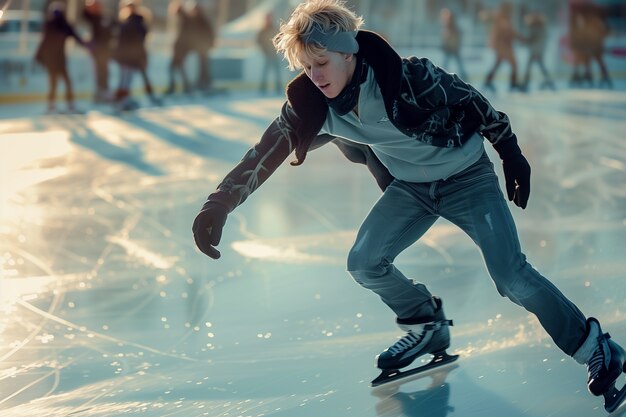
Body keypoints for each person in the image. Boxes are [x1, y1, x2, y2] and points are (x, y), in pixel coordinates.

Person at [192, 0, 625, 407]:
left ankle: (595, 348)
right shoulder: (312, 107)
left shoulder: (410, 78)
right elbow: (264, 152)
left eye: (322, 63)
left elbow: (472, 101)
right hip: (412, 190)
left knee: (511, 278)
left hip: (467, 179)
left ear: (350, 55)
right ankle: (426, 324)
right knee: (363, 261)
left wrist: (509, 150)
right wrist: (220, 204)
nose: (315, 76)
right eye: (306, 67)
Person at [34, 1, 87, 113]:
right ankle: (54, 106)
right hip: (54, 59)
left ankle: (66, 105)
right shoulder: (53, 25)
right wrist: (38, 56)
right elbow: (44, 42)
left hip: (58, 59)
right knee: (55, 83)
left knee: (62, 82)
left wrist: (86, 44)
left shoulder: (61, 25)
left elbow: (75, 36)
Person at [112, 0, 161, 109]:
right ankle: (121, 100)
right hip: (126, 56)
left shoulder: (137, 22)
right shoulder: (125, 22)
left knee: (127, 79)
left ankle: (123, 100)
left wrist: (140, 56)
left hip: (133, 56)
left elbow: (139, 40)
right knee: (126, 79)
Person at [481, 2, 521, 92]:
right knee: (513, 64)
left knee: (498, 64)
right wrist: (520, 37)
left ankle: (488, 81)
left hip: (504, 45)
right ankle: (513, 84)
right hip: (503, 46)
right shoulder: (502, 17)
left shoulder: (504, 17)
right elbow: (507, 30)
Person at [83, 0, 116, 103]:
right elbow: (84, 14)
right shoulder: (94, 18)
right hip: (96, 51)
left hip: (105, 50)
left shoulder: (106, 17)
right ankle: (99, 93)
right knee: (98, 72)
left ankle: (105, 92)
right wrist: (89, 5)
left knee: (104, 72)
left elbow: (114, 28)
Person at [520, 11, 555, 91]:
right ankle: (549, 83)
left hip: (536, 50)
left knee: (533, 67)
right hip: (536, 50)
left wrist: (526, 41)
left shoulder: (537, 27)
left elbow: (534, 39)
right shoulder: (539, 27)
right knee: (539, 67)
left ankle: (526, 84)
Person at [257, 12, 283, 94]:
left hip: (274, 54)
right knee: (265, 72)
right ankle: (262, 88)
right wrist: (264, 50)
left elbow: (279, 39)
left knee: (277, 72)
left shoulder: (274, 29)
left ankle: (278, 88)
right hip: (267, 55)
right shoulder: (263, 30)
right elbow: (259, 41)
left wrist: (278, 49)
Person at [439, 8, 467, 80]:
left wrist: (454, 45)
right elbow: (446, 37)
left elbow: (455, 37)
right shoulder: (448, 26)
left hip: (453, 48)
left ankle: (464, 76)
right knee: (447, 63)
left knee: (458, 63)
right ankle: (442, 75)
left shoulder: (453, 27)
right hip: (449, 48)